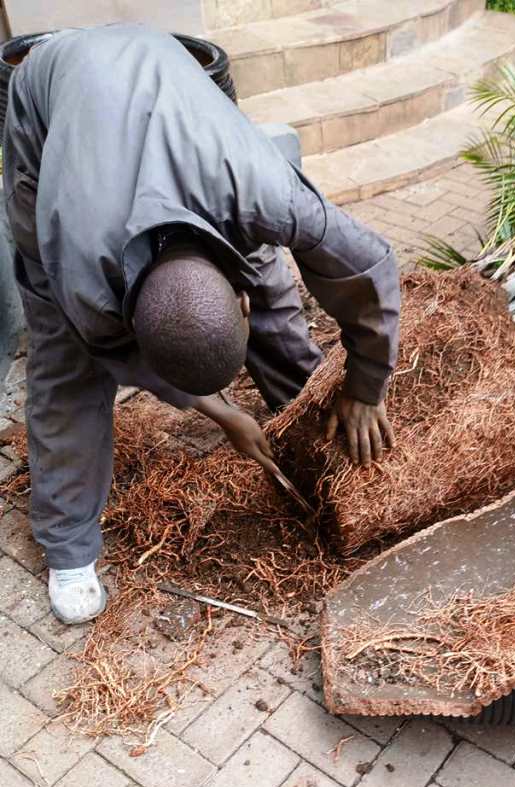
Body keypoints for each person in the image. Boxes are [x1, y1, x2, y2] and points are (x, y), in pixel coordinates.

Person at [2, 23, 400, 625]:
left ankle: (305, 411)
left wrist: (366, 386)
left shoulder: (262, 191)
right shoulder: (78, 267)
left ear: (235, 300)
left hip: (163, 73)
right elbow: (110, 349)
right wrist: (224, 412)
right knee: (67, 373)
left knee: (270, 279)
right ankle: (69, 546)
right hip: (50, 107)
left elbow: (368, 264)